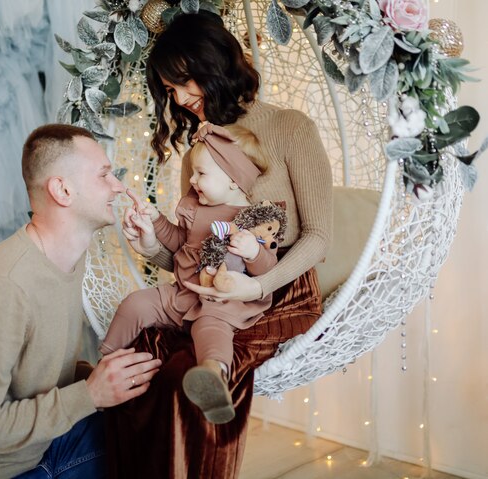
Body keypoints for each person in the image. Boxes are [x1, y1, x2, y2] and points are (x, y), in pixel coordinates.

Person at [105, 12, 333, 479]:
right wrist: (151, 244)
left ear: (217, 65)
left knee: (183, 375)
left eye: (186, 82)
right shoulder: (199, 151)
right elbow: (192, 253)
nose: (182, 99)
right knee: (148, 350)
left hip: (274, 287)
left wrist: (257, 285)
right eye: (170, 90)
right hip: (206, 284)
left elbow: (318, 237)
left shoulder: (291, 128)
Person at [0, 124, 162, 479]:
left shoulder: (69, 260)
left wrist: (111, 381)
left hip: (40, 448)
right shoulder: (2, 289)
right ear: (62, 190)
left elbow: (37, 369)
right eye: (105, 175)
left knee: (157, 432)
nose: (118, 186)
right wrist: (90, 394)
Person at [100, 123, 281, 424]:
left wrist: (253, 253)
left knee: (211, 329)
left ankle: (213, 376)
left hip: (222, 301)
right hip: (182, 294)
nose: (193, 180)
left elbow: (268, 272)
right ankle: (105, 361)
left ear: (234, 181)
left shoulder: (256, 219)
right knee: (136, 304)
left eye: (201, 174)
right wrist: (155, 221)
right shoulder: (195, 208)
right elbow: (179, 244)